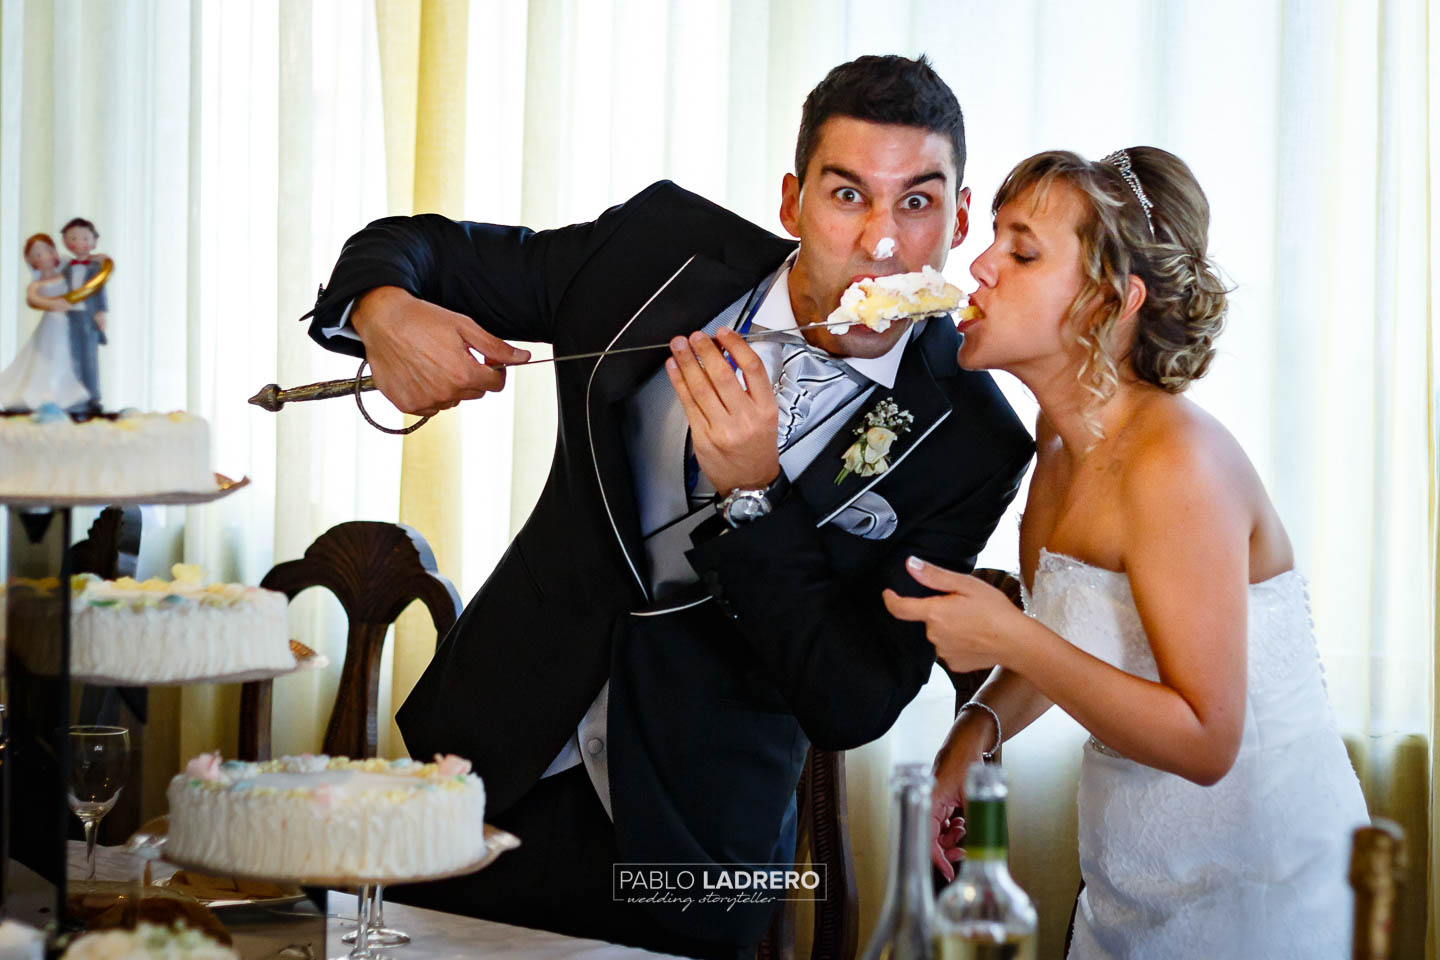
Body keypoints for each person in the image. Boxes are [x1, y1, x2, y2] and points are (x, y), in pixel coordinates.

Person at [305, 55, 1033, 958]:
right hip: (481, 767)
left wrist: (758, 495)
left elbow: (853, 699)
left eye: (917, 204)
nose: (883, 244)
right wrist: (383, 312)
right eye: (848, 197)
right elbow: (414, 246)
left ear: (959, 220)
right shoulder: (660, 250)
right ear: (792, 201)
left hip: (697, 851)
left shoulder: (975, 442)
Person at [884, 147, 1368, 959]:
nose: (978, 264)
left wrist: (1009, 635)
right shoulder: (1059, 441)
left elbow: (1207, 741)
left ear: (1110, 301)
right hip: (1132, 880)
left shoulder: (1176, 462)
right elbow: (1069, 642)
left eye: (1022, 250)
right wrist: (974, 733)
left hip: (1264, 896)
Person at [0, 234, 91, 412]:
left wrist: (96, 258)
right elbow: (33, 299)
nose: (45, 257)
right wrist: (52, 303)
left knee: (68, 355)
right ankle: (46, 394)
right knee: (49, 357)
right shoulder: (36, 284)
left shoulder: (66, 273)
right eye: (38, 255)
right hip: (51, 323)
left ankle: (67, 393)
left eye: (48, 251)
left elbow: (81, 262)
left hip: (68, 322)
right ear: (31, 261)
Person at [60, 217, 109, 410]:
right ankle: (75, 395)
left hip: (89, 318)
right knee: (73, 356)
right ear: (65, 241)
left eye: (85, 238)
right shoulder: (65, 267)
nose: (80, 243)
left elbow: (100, 291)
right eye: (73, 238)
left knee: (89, 357)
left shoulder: (97, 268)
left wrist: (101, 312)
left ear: (94, 241)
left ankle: (92, 396)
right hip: (70, 317)